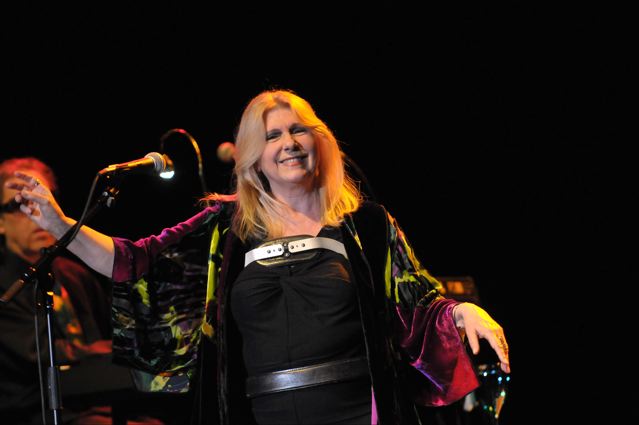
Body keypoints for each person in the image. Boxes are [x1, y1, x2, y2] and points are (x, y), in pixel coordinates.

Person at [8, 89, 510, 425]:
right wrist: (60, 224)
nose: (288, 143)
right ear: (254, 156)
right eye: (272, 135)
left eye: (298, 131)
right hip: (262, 413)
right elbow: (131, 262)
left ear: (319, 142)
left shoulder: (367, 225)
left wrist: (463, 311)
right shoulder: (225, 229)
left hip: (357, 410)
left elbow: (417, 300)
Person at [0, 157, 167, 425]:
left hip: (94, 401)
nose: (34, 211)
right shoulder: (7, 284)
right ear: (1, 221)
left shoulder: (74, 274)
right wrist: (102, 350)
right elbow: (37, 353)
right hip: (31, 410)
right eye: (19, 203)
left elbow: (110, 331)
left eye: (42, 198)